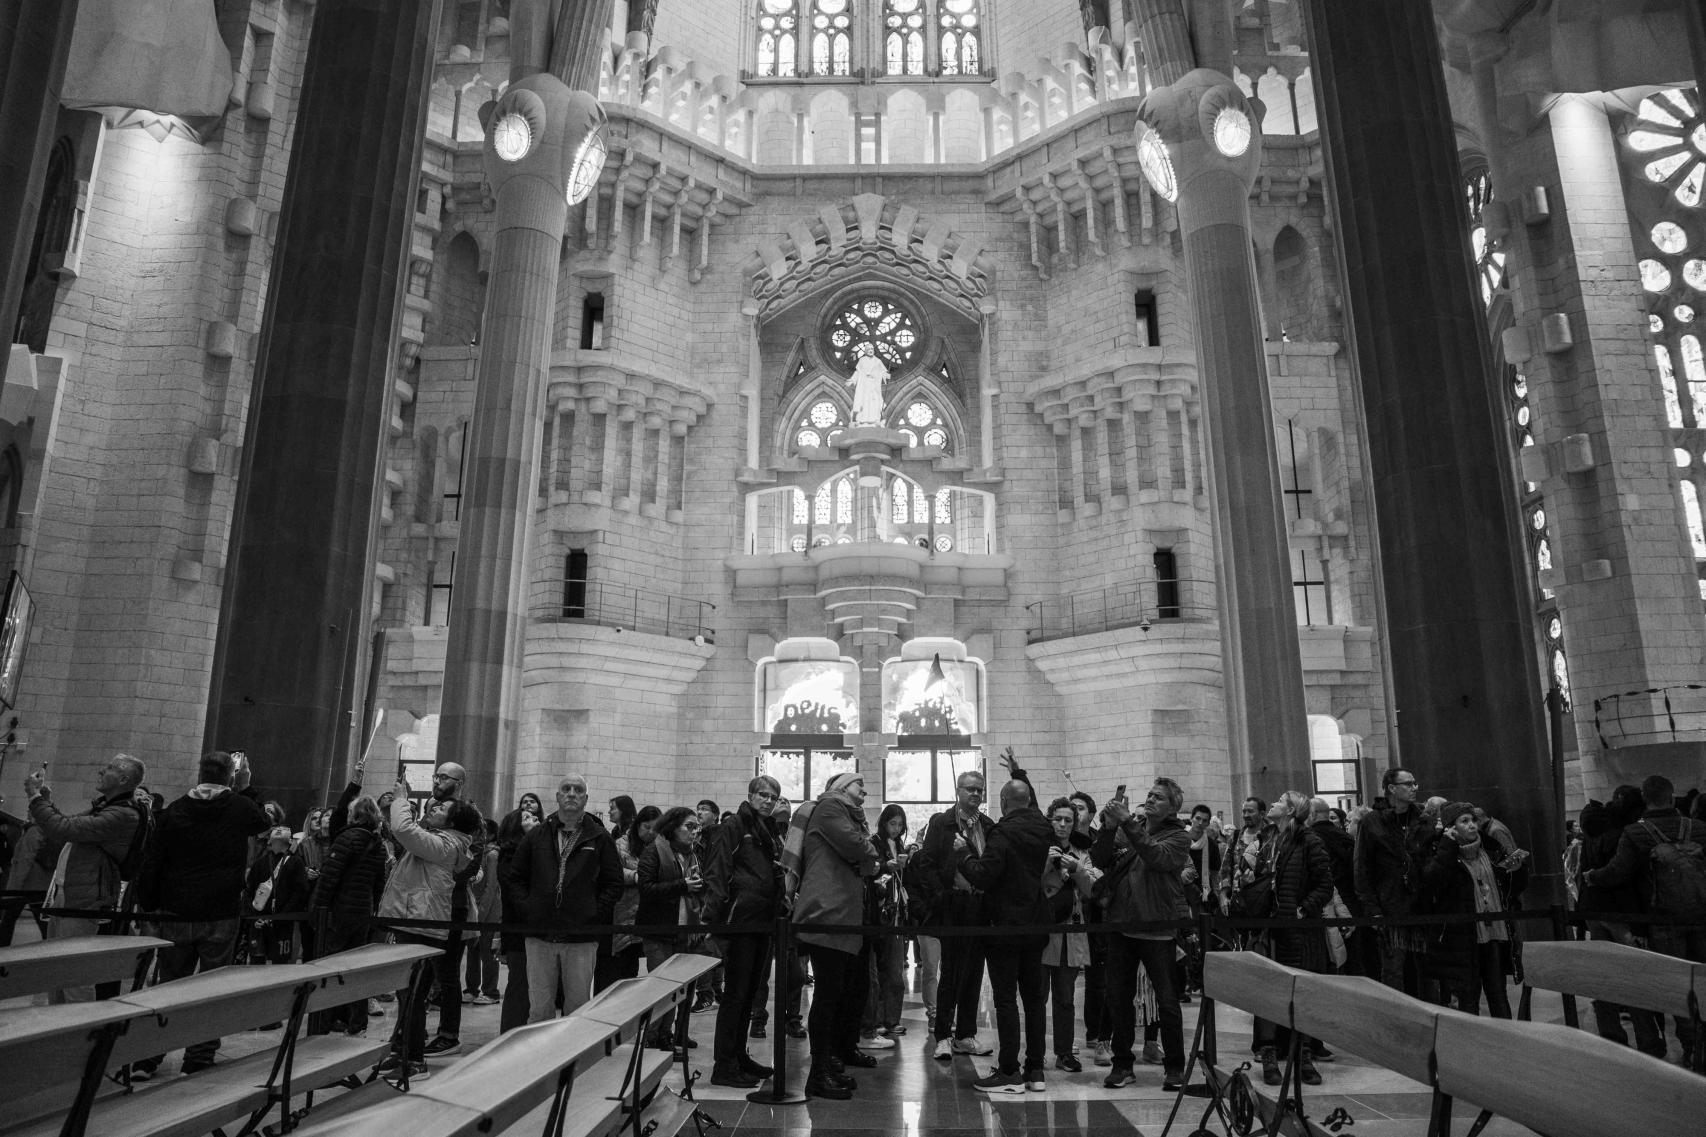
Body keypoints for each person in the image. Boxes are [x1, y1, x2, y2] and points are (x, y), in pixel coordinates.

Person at [130, 749, 270, 1076]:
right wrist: (247, 786)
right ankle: (199, 1056)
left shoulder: (176, 810)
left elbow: (153, 862)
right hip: (220, 911)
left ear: (200, 773)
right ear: (231, 777)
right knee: (213, 988)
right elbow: (264, 820)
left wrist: (149, 906)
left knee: (169, 986)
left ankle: (149, 1057)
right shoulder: (239, 807)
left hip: (176, 912)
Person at [1583, 774, 1706, 1059]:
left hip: (1663, 920)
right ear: (1672, 795)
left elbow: (1616, 872)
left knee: (1678, 987)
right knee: (1703, 980)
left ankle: (1692, 1049)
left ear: (1645, 797)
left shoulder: (1637, 833)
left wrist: (1592, 877)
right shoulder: (1699, 828)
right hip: (1701, 916)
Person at [22, 753, 148, 1002]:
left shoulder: (123, 814)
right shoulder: (105, 807)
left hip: (84, 900)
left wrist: (35, 798)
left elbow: (64, 829)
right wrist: (45, 801)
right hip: (68, 894)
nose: (101, 771)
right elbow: (66, 824)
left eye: (110, 768)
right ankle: (56, 1032)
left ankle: (79, 1034)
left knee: (74, 976)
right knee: (55, 972)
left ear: (123, 779)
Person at [376, 785, 481, 1081]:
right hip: (415, 919)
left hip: (423, 922)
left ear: (453, 822)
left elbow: (403, 828)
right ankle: (403, 1049)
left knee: (412, 992)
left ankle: (414, 1060)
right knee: (408, 992)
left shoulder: (446, 845)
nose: (433, 809)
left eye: (441, 809)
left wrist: (401, 800)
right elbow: (401, 830)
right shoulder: (441, 840)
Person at [1092, 778, 1191, 1092]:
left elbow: (1158, 857)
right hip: (1122, 924)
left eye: (1159, 798)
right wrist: (1108, 827)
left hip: (1157, 928)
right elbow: (1100, 859)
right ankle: (1123, 1065)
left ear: (1173, 807)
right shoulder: (1129, 827)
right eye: (1149, 794)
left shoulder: (1178, 836)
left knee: (1167, 1001)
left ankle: (1174, 1067)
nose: (1150, 800)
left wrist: (1127, 823)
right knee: (1117, 998)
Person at [955, 778, 1052, 1093]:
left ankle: (1009, 1070)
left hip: (1005, 926)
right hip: (1036, 924)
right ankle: (1035, 1070)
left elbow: (983, 875)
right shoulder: (1044, 829)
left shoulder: (1003, 833)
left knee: (1007, 1000)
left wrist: (964, 854)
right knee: (1035, 1000)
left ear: (1003, 801)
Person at [505, 774, 623, 1026]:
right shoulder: (537, 835)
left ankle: (571, 1064)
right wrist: (528, 909)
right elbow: (515, 877)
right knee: (539, 1010)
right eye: (566, 789)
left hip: (581, 937)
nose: (571, 793)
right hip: (539, 935)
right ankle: (542, 1063)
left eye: (577, 789)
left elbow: (614, 884)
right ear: (557, 797)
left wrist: (592, 913)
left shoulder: (599, 838)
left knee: (578, 1010)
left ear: (586, 798)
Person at [791, 771, 879, 1101]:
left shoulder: (845, 814)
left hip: (841, 913)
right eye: (860, 783)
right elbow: (859, 849)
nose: (865, 789)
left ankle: (830, 1060)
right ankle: (818, 1074)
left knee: (840, 993)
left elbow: (869, 862)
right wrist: (868, 852)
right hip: (826, 913)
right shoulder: (830, 808)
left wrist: (867, 855)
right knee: (827, 996)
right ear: (841, 787)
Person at [702, 776, 782, 1088]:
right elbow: (718, 870)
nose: (768, 800)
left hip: (762, 919)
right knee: (735, 994)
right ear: (750, 795)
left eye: (773, 797)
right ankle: (724, 1065)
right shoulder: (734, 825)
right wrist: (714, 921)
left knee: (749, 993)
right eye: (763, 794)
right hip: (739, 920)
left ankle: (739, 1055)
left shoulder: (767, 830)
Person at [1253, 791, 1336, 1086]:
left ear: (1289, 811)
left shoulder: (1308, 840)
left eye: (1279, 801)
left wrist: (1303, 908)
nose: (1272, 803)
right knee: (1268, 995)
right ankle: (1269, 1057)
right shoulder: (1267, 840)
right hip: (1270, 929)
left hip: (1299, 932)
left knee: (1299, 995)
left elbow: (1325, 885)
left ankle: (1303, 1058)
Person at [1576, 787, 1665, 1056]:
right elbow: (1631, 880)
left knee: (1605, 976)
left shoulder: (1591, 838)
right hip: (1622, 914)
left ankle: (1611, 1035)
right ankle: (1649, 1041)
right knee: (1634, 977)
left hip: (1595, 913)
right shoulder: (1624, 836)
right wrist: (1640, 924)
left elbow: (1584, 874)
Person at [917, 768, 996, 1060]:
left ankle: (965, 1034)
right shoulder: (941, 822)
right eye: (970, 789)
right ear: (958, 791)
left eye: (979, 789)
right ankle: (942, 1035)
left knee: (975, 971)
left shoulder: (987, 825)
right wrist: (941, 895)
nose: (975, 794)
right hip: (952, 905)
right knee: (950, 972)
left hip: (979, 906)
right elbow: (926, 863)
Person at [1422, 800, 1518, 1019]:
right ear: (1451, 827)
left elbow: (1510, 887)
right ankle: (1470, 1042)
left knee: (1498, 993)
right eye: (1464, 821)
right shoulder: (1439, 850)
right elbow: (1431, 882)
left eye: (1474, 820)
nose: (1472, 825)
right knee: (1468, 996)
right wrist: (1447, 846)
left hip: (1494, 933)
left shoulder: (1491, 849)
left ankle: (1507, 1039)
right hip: (1462, 938)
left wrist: (1516, 870)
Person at [307, 793, 389, 1035]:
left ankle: (322, 1022)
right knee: (356, 968)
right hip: (362, 911)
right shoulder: (378, 845)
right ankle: (357, 1022)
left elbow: (329, 878)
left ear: (355, 815)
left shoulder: (346, 839)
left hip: (338, 911)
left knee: (330, 967)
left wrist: (317, 911)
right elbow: (378, 883)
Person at [1354, 767, 1437, 997]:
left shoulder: (1422, 819)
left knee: (1426, 974)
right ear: (1392, 788)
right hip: (1390, 908)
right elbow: (1362, 870)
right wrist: (1373, 910)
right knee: (1393, 973)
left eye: (1414, 783)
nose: (1414, 788)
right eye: (1408, 784)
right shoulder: (1372, 822)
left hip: (1421, 908)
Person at [638, 806, 707, 1051]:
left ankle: (674, 1034)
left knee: (683, 988)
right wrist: (682, 885)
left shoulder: (693, 854)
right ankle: (655, 1036)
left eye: (696, 827)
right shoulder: (654, 851)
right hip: (659, 930)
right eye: (689, 826)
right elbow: (645, 889)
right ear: (672, 827)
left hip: (686, 929)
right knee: (663, 987)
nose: (694, 832)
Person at [1040, 797, 1099, 1073]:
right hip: (1043, 932)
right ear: (1049, 820)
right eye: (1058, 819)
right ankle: (1035, 1052)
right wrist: (1047, 866)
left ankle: (1064, 1052)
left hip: (1071, 931)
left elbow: (1091, 891)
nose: (1062, 825)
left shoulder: (1081, 852)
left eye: (1068, 820)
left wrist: (1075, 870)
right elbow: (1029, 885)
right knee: (1036, 996)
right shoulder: (1039, 848)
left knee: (1065, 997)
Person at [859, 803, 910, 1048]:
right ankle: (877, 1019)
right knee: (878, 969)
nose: (897, 829)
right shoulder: (875, 842)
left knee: (894, 968)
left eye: (900, 825)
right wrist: (886, 867)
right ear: (884, 822)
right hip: (880, 910)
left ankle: (891, 1018)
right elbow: (871, 872)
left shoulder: (899, 844)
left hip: (896, 910)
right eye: (893, 824)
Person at [494, 805, 541, 1032]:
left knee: (531, 988)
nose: (534, 819)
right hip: (518, 929)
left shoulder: (532, 851)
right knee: (519, 987)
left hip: (532, 929)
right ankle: (510, 1035)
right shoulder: (508, 855)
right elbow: (516, 891)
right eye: (527, 818)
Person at [246, 824, 312, 963]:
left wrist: (282, 916)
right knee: (255, 963)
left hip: (284, 922)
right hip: (260, 920)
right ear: (269, 840)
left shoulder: (295, 862)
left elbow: (300, 892)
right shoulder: (260, 863)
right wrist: (254, 915)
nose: (280, 831)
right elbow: (250, 891)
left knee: (280, 965)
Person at [462, 817, 502, 1005]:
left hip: (488, 912)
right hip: (475, 909)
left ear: (491, 834)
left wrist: (482, 912)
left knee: (488, 952)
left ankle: (491, 991)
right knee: (473, 950)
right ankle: (471, 988)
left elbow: (492, 887)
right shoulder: (477, 853)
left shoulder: (493, 855)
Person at [1221, 795, 1276, 930]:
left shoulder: (1272, 836)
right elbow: (1225, 869)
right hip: (1238, 900)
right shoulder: (1235, 836)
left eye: (1250, 811)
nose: (1246, 815)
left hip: (1264, 900)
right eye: (1244, 811)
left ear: (1262, 814)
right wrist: (1223, 894)